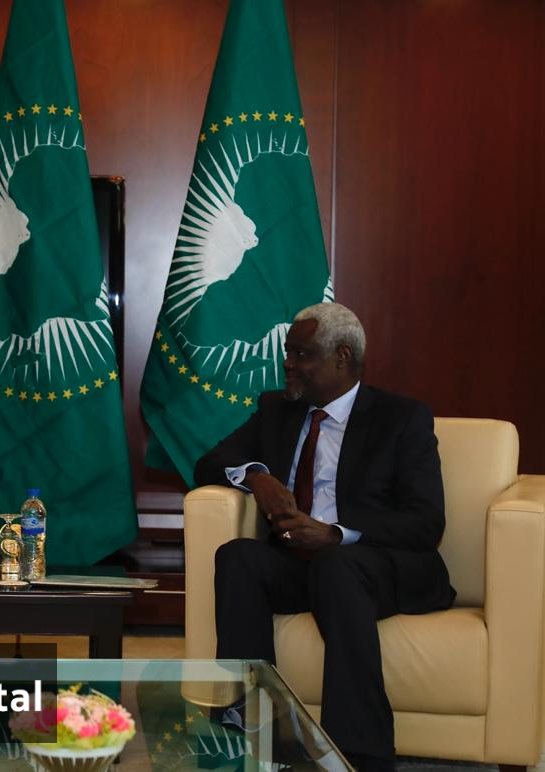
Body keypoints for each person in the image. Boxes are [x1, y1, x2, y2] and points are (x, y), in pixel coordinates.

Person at [193, 302, 455, 772]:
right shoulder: (278, 410)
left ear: (341, 357)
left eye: (302, 354)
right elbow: (209, 463)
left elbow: (425, 521)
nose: (288, 364)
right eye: (287, 352)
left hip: (377, 563)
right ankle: (253, 730)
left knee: (337, 565)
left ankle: (359, 755)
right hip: (300, 565)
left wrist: (336, 535)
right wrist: (257, 477)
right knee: (238, 556)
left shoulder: (401, 418)